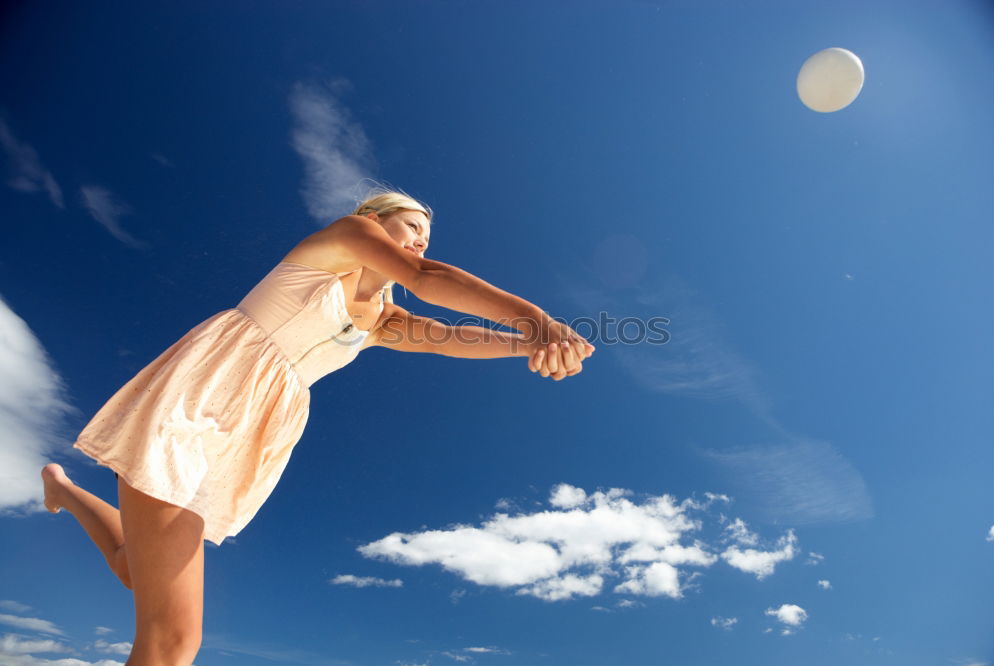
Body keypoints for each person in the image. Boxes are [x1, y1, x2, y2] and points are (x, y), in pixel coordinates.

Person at [40, 186, 594, 666]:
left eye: (429, 233)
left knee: (142, 577)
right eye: (412, 225)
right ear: (376, 222)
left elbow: (451, 338)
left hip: (242, 441)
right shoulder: (343, 240)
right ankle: (65, 491)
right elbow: (427, 278)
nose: (422, 239)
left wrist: (532, 348)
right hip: (197, 405)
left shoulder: (382, 318)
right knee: (174, 642)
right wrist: (542, 322)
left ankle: (64, 491)